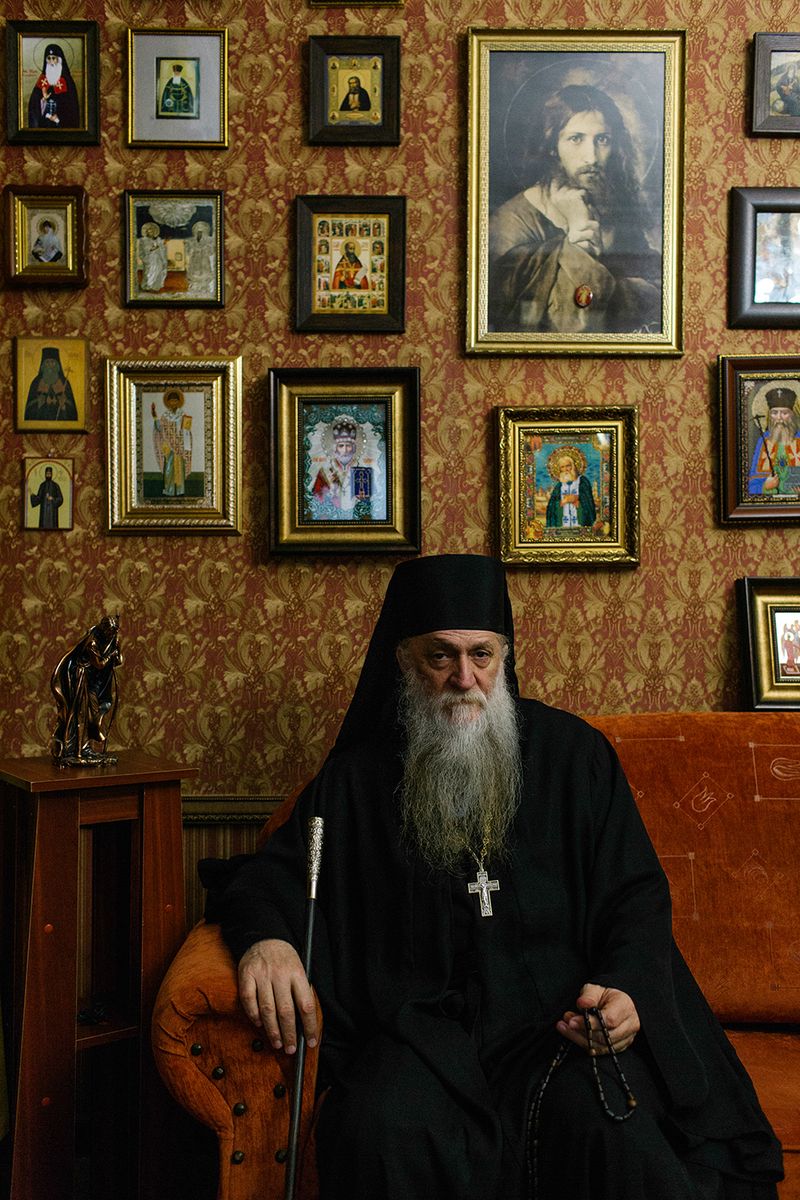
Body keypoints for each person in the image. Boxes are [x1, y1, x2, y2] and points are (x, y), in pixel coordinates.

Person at [215, 553, 783, 1200]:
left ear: (504, 655)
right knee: (377, 1128)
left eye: (482, 654)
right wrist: (268, 939)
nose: (465, 678)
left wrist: (627, 990)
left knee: (612, 1130)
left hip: (560, 1031)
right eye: (440, 657)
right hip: (419, 1041)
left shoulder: (575, 759)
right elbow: (274, 878)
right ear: (403, 661)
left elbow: (636, 896)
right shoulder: (358, 782)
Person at [488, 84, 662, 335]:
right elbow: (554, 324)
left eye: (602, 140)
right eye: (575, 139)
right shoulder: (510, 223)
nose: (591, 157)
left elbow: (657, 293)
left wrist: (617, 291)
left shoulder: (611, 205)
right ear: (552, 146)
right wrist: (577, 244)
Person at [50, 615, 122, 765]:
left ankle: (85, 748)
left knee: (93, 713)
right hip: (81, 681)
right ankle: (76, 751)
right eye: (110, 631)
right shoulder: (92, 642)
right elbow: (99, 664)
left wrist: (117, 647)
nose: (111, 634)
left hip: (93, 683)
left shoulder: (109, 640)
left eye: (114, 631)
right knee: (80, 714)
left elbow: (118, 661)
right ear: (104, 629)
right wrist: (111, 655)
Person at [748, 386, 800, 495]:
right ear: (769, 416)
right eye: (774, 413)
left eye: (784, 413)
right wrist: (765, 486)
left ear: (792, 415)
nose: (779, 418)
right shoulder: (764, 441)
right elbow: (751, 485)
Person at [27, 43, 80, 129]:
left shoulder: (67, 81)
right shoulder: (43, 80)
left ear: (59, 60)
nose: (51, 62)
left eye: (53, 58)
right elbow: (34, 106)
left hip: (61, 127)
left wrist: (58, 119)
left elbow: (71, 108)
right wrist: (43, 100)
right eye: (48, 58)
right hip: (44, 126)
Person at [152, 388, 192, 496]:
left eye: (175, 401)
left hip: (180, 446)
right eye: (171, 401)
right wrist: (155, 416)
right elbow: (160, 428)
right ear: (168, 402)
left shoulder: (183, 415)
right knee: (169, 469)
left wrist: (186, 446)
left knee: (180, 467)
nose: (173, 403)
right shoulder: (165, 416)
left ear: (179, 402)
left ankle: (180, 490)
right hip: (169, 446)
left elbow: (187, 432)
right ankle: (169, 490)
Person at [545, 447, 597, 528]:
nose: (566, 469)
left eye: (568, 466)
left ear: (573, 466)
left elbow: (589, 504)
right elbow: (551, 509)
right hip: (563, 525)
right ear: (559, 469)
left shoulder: (582, 482)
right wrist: (562, 502)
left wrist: (577, 499)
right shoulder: (558, 487)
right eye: (562, 467)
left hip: (580, 525)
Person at [24, 346, 78, 422]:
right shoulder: (36, 382)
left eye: (52, 362)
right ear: (43, 365)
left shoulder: (64, 382)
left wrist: (63, 406)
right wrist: (39, 404)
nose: (50, 366)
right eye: (47, 362)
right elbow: (28, 411)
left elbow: (72, 412)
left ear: (57, 365)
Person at [138, 222, 168, 292]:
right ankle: (148, 286)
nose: (150, 232)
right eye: (149, 231)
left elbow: (162, 247)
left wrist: (162, 245)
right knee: (149, 272)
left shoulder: (158, 240)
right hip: (149, 259)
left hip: (158, 258)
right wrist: (154, 248)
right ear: (146, 232)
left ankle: (155, 286)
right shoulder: (143, 240)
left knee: (158, 271)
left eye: (152, 231)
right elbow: (146, 250)